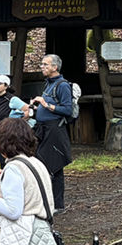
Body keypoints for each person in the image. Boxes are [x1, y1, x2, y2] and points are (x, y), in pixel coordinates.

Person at [31, 54, 74, 211]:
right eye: (42, 64)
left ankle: (58, 205)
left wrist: (46, 105)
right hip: (42, 128)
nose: (42, 67)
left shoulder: (62, 85)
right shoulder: (48, 84)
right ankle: (45, 202)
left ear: (55, 67)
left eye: (45, 64)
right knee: (38, 162)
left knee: (55, 166)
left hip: (55, 130)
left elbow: (67, 109)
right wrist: (37, 108)